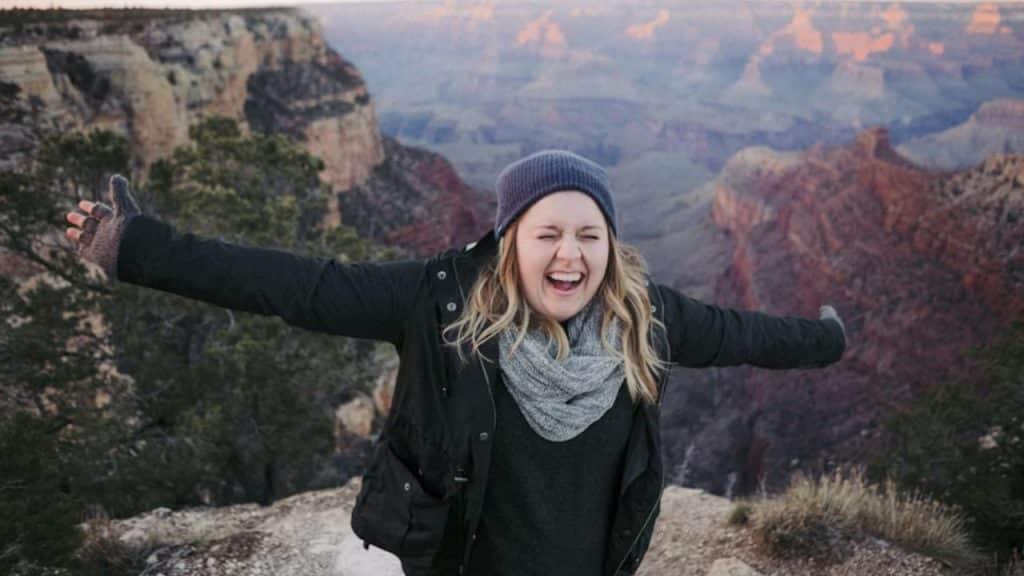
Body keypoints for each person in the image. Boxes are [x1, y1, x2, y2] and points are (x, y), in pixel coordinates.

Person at [66, 149, 847, 576]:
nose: (569, 254)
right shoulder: (437, 302)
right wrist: (138, 248)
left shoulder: (646, 317)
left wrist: (828, 339)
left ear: (612, 246)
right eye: (547, 233)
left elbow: (748, 333)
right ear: (510, 241)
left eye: (589, 234)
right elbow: (296, 286)